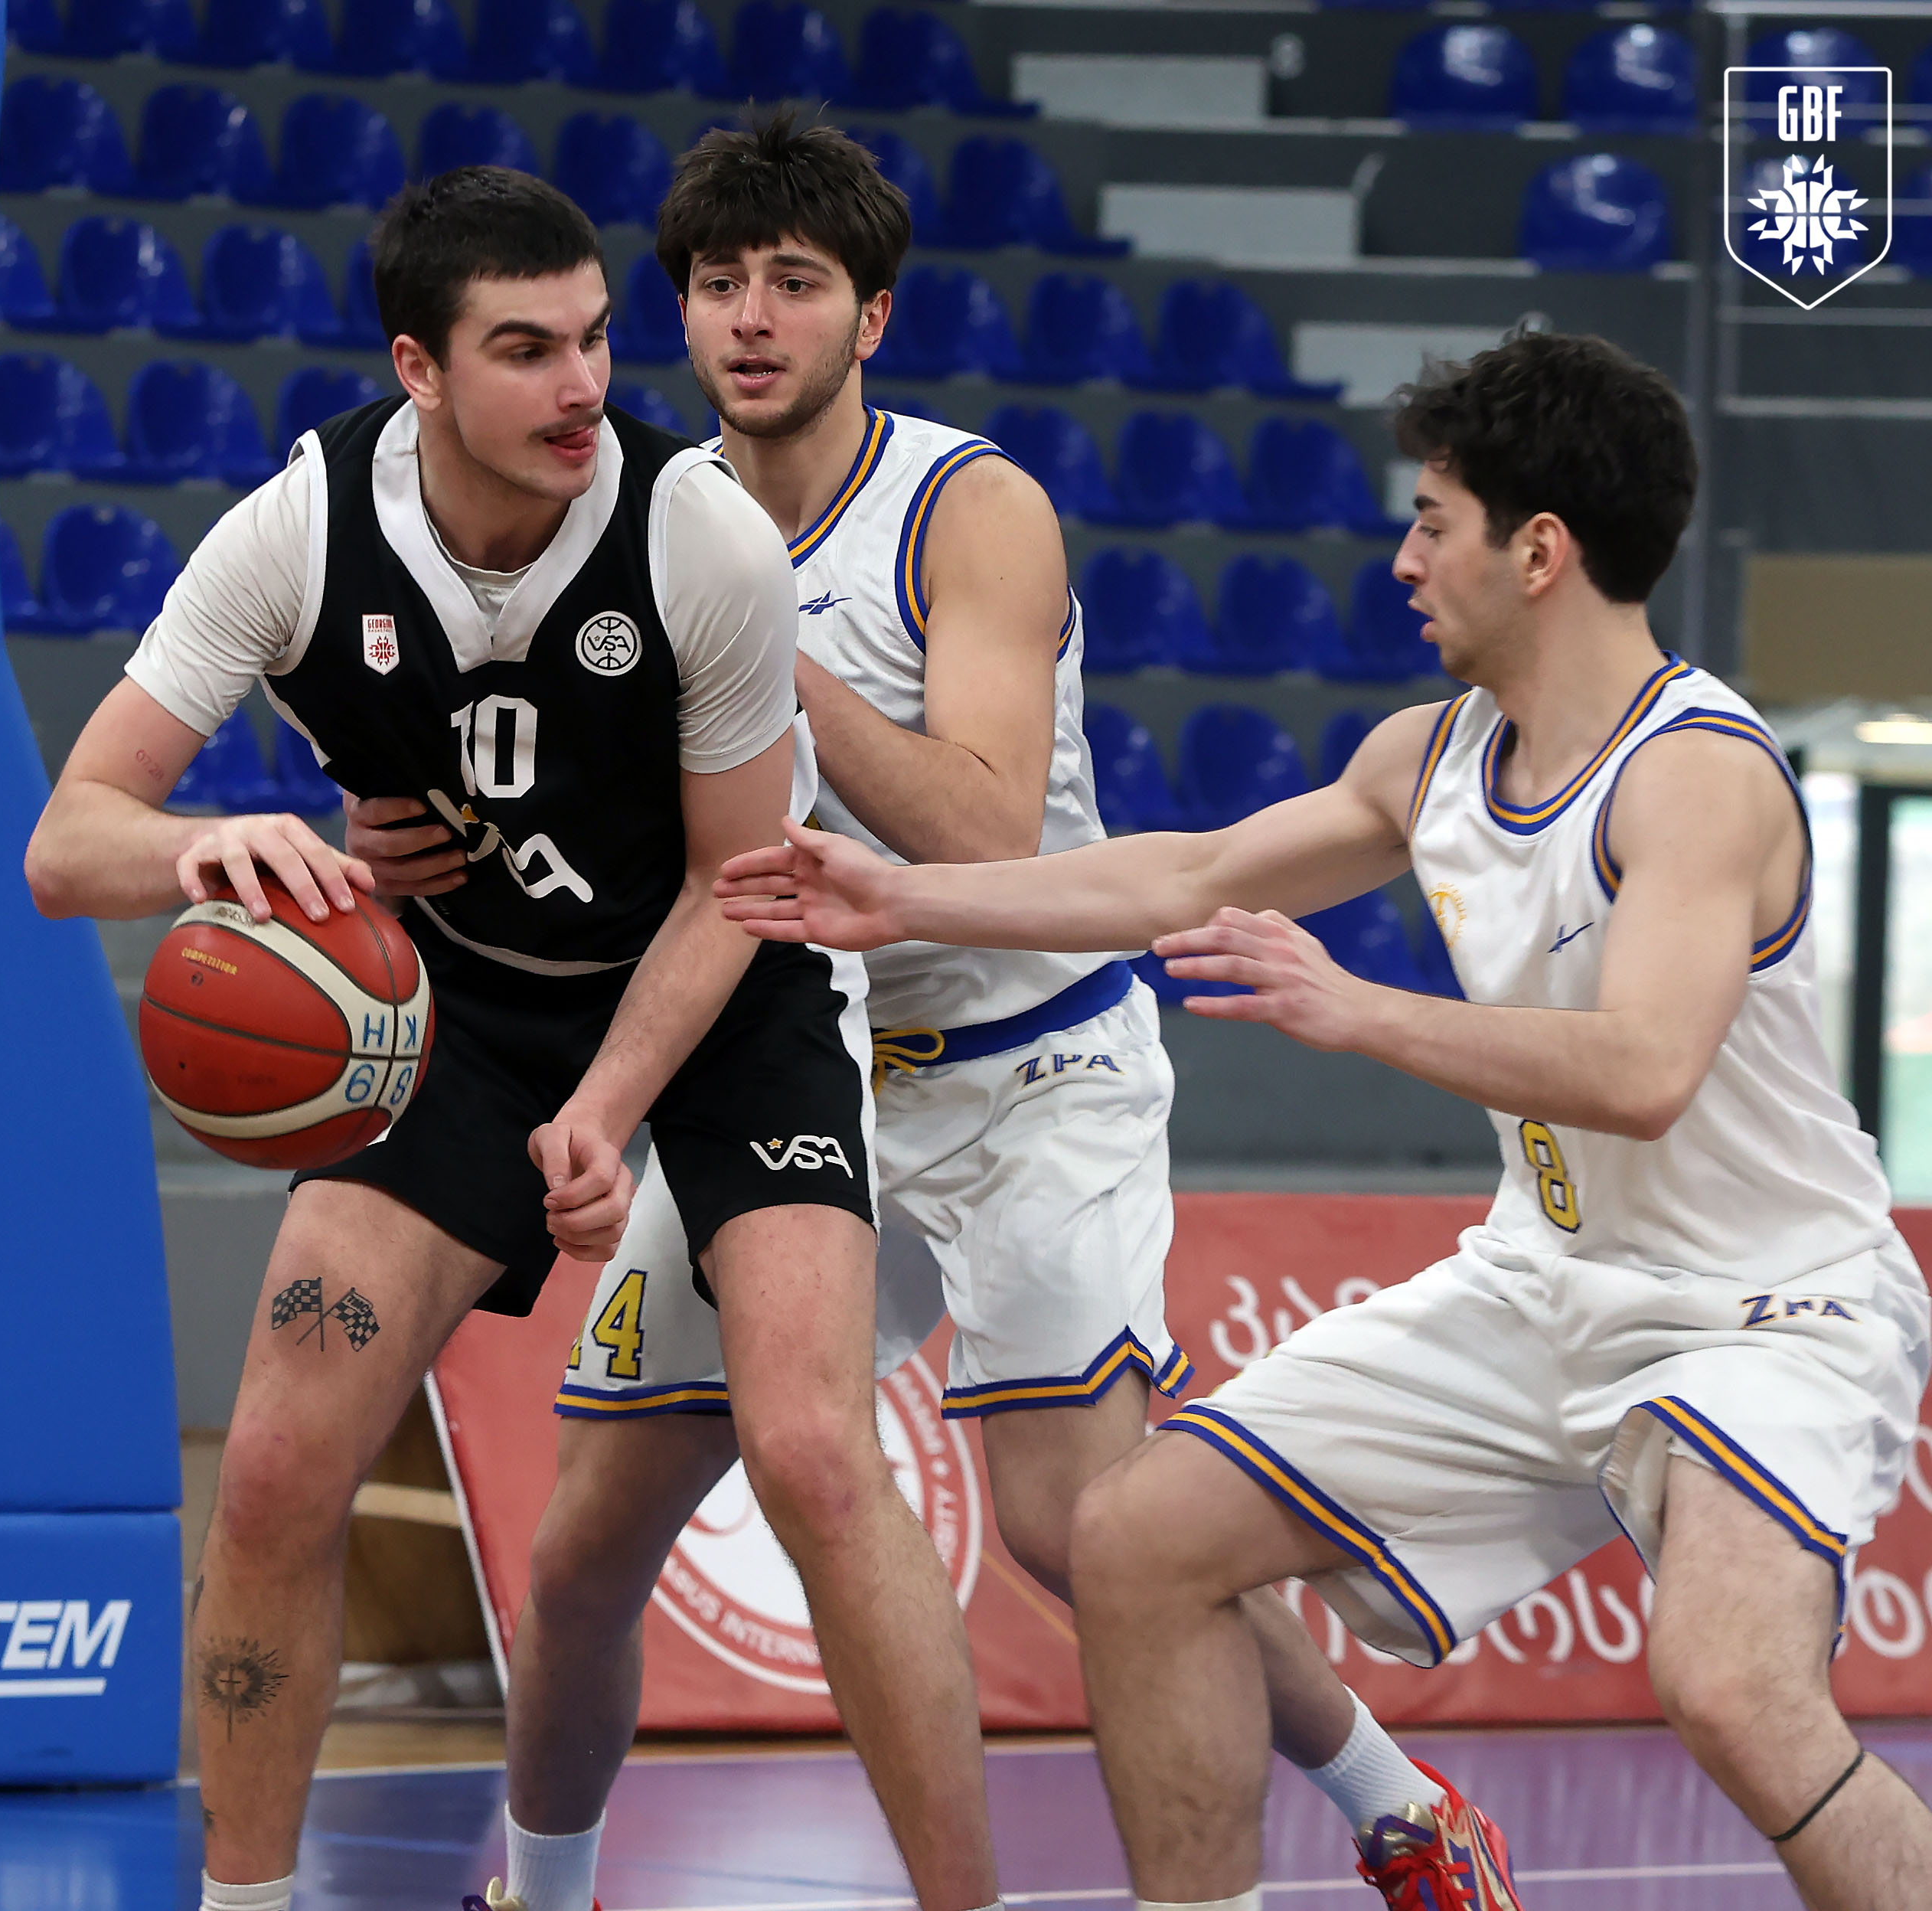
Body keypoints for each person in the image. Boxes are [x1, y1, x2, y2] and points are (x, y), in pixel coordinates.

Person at [350, 115, 1493, 1911]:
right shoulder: (624, 520)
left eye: (794, 284)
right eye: (717, 284)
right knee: (579, 1556)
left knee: (1079, 1530)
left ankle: (1397, 1803)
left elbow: (979, 821)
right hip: (788, 1070)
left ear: (870, 317)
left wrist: (760, 644)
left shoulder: (973, 511)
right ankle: (538, 1895)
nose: (751, 319)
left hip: (1036, 1067)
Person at [720, 328, 1932, 1911]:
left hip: (1771, 1309)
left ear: (1539, 552)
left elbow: (1644, 1072)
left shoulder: (1696, 775)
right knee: (1138, 1537)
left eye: (1435, 522)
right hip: (1547, 1284)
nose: (1406, 559)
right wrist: (904, 898)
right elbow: (1190, 873)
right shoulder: (1428, 757)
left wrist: (1354, 1009)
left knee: (1730, 1691)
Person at [24, 165, 996, 1911]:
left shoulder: (698, 534)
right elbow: (64, 841)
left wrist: (608, 1111)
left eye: (597, 340)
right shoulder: (297, 534)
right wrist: (215, 844)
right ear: (420, 368)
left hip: (726, 985)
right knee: (273, 1468)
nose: (582, 387)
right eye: (528, 350)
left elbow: (737, 883)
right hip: (463, 999)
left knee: (814, 1458)